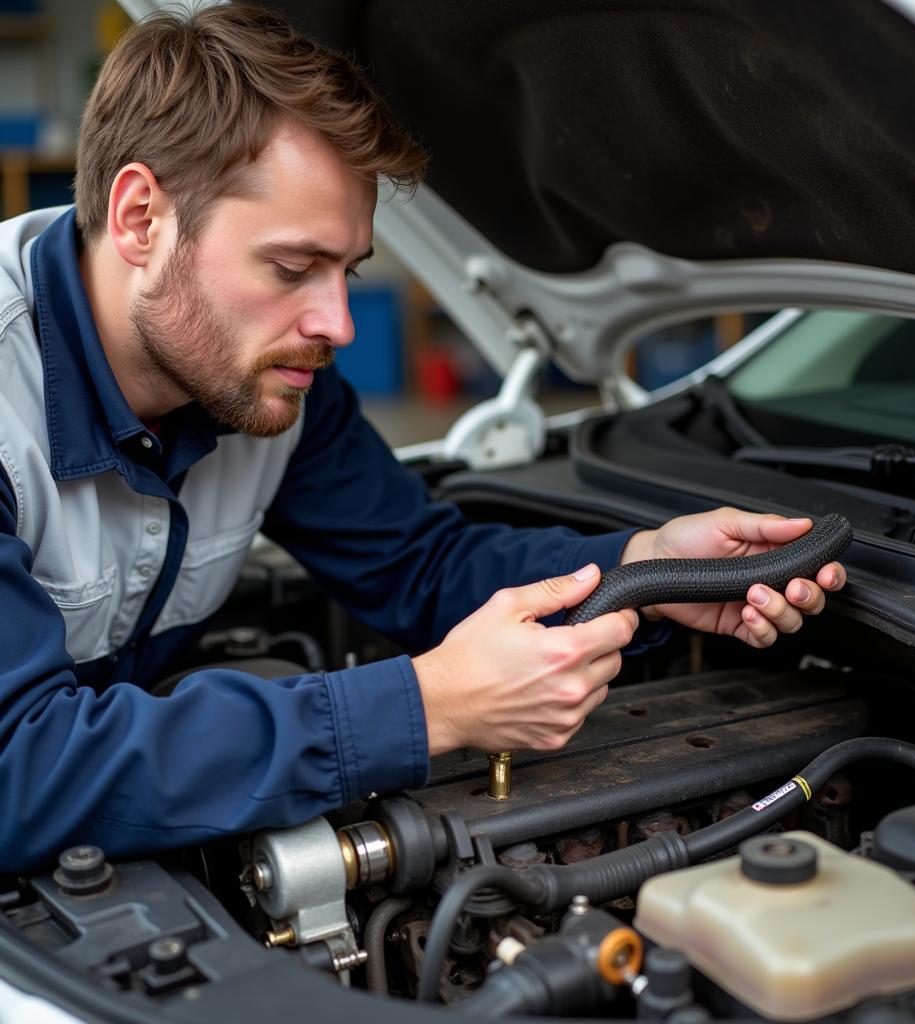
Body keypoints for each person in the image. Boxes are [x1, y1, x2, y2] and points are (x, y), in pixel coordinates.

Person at [0, 5, 845, 872]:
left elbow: (419, 564)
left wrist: (645, 572)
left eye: (347, 273)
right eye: (293, 269)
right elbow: (15, 770)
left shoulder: (267, 379)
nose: (336, 325)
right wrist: (428, 707)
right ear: (141, 218)